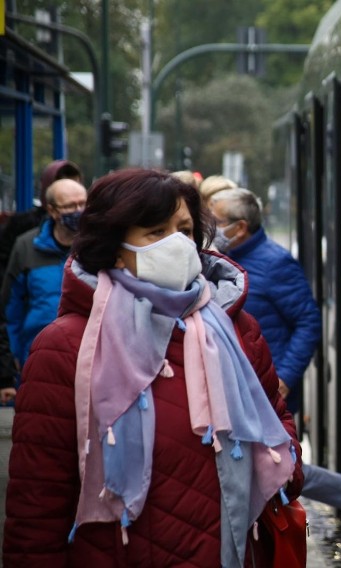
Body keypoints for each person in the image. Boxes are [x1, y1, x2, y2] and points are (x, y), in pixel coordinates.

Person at [3, 169, 303, 566]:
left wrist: (279, 464)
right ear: (114, 246)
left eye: (185, 229)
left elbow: (279, 428)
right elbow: (38, 505)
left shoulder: (235, 327)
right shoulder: (65, 348)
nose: (177, 244)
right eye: (156, 232)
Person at [208, 188, 341, 513]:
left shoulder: (275, 262)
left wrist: (285, 377)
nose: (211, 227)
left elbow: (308, 321)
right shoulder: (224, 262)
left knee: (274, 467)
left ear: (240, 227)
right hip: (241, 387)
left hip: (269, 389)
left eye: (216, 221)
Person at [0, 178, 87, 370]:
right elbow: (10, 310)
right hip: (36, 356)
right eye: (71, 206)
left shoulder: (94, 247)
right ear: (52, 210)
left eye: (83, 203)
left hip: (84, 357)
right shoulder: (26, 247)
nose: (79, 210)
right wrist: (12, 357)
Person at [0, 159, 83, 275]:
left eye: (74, 185)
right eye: (62, 185)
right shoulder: (23, 226)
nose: (70, 193)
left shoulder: (88, 229)